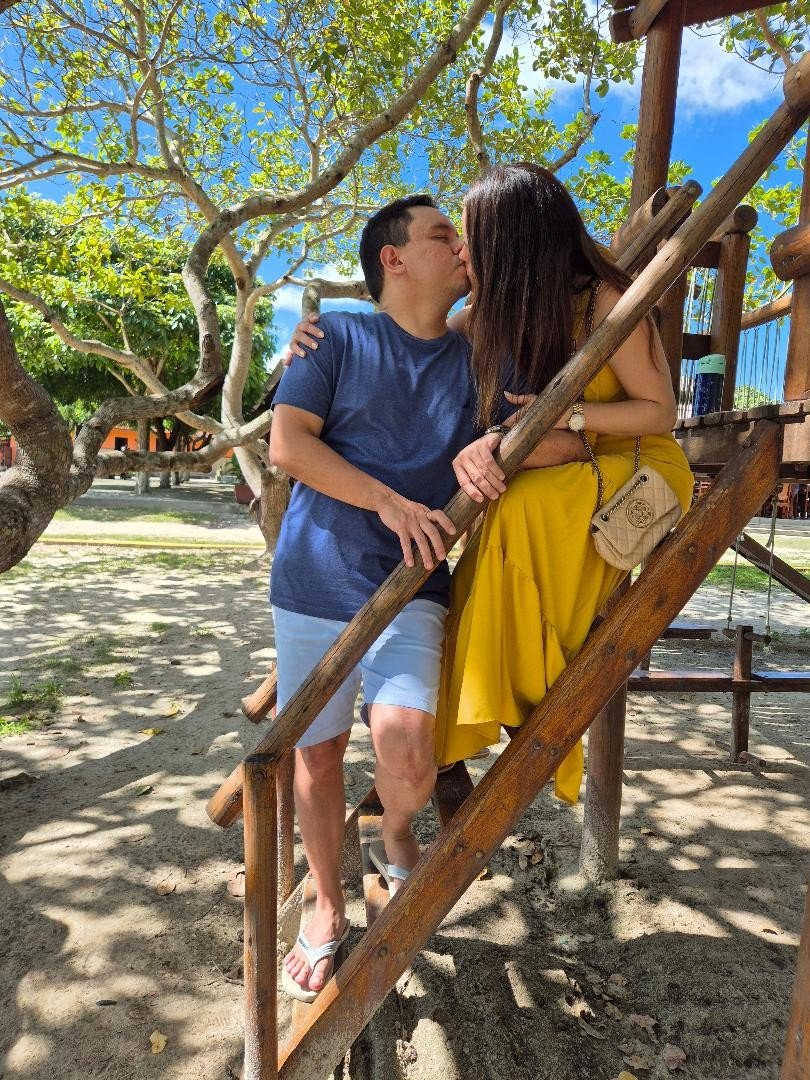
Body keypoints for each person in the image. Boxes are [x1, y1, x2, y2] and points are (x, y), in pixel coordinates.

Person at [287, 163, 694, 808]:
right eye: (452, 238)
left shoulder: (606, 300)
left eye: (470, 236)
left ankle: (521, 696)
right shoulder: (490, 315)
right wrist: (317, 345)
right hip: (557, 461)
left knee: (516, 507)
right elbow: (407, 342)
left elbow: (659, 413)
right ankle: (469, 718)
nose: (462, 250)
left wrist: (564, 415)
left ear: (513, 237)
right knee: (482, 539)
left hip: (637, 465)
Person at [270, 193, 585, 1001]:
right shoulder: (334, 336)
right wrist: (389, 502)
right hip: (313, 579)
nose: (463, 248)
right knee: (317, 753)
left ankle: (396, 827)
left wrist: (499, 443)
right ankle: (325, 905)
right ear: (394, 258)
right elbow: (288, 445)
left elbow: (562, 439)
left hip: (415, 583)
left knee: (410, 749)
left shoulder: (484, 358)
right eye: (444, 234)